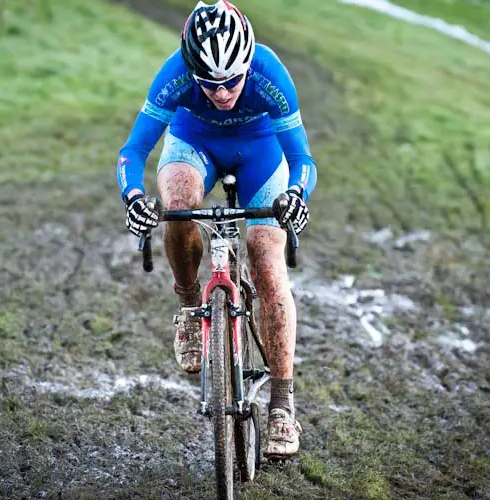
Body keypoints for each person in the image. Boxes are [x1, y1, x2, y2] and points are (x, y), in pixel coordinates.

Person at [115, 0, 317, 459]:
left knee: (267, 258)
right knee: (179, 206)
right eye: (210, 83)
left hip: (260, 153)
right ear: (192, 71)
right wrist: (133, 198)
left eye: (232, 81)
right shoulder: (174, 74)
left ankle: (283, 405)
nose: (223, 93)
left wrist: (297, 196)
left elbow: (303, 159)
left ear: (247, 63)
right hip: (194, 142)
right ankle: (189, 307)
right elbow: (133, 150)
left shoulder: (270, 74)